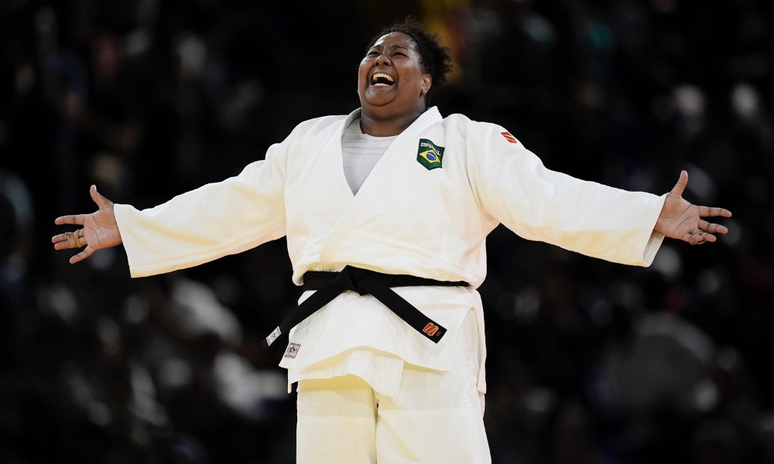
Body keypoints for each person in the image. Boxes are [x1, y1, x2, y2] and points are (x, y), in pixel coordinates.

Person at [52, 18, 731, 464]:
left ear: (426, 80)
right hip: (329, 342)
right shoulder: (309, 142)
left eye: (397, 53)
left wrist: (647, 216)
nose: (379, 59)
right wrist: (132, 226)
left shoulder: (465, 142)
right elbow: (231, 207)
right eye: (372, 52)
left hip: (426, 340)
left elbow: (545, 198)